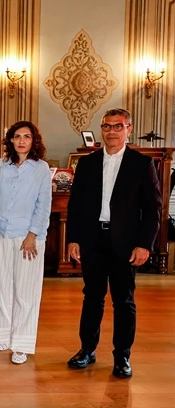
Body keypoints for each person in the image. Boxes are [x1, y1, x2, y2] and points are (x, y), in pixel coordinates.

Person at [66, 108, 161, 378]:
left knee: (124, 301)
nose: (112, 131)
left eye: (118, 126)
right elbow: (76, 205)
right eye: (107, 126)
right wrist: (73, 238)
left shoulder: (142, 164)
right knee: (92, 297)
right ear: (101, 130)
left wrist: (145, 244)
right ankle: (87, 350)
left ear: (128, 129)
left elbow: (153, 209)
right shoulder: (87, 163)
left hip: (126, 244)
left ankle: (122, 357)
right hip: (92, 239)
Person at [0, 121, 52, 364]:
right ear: (11, 140)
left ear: (34, 141)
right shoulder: (1, 165)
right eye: (17, 136)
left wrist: (32, 235)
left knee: (26, 292)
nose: (22, 141)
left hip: (29, 239)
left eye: (27, 136)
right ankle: (3, 336)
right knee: (1, 288)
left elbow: (43, 205)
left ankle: (21, 344)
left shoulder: (41, 168)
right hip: (1, 235)